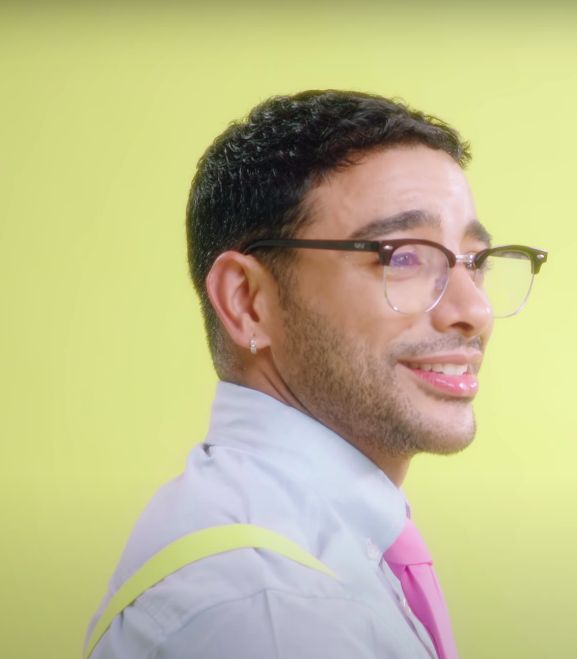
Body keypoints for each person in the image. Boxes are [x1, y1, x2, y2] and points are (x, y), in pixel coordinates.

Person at [84, 90, 547, 659]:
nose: (473, 310)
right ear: (248, 301)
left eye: (475, 261)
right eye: (403, 257)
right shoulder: (273, 612)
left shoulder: (286, 547)